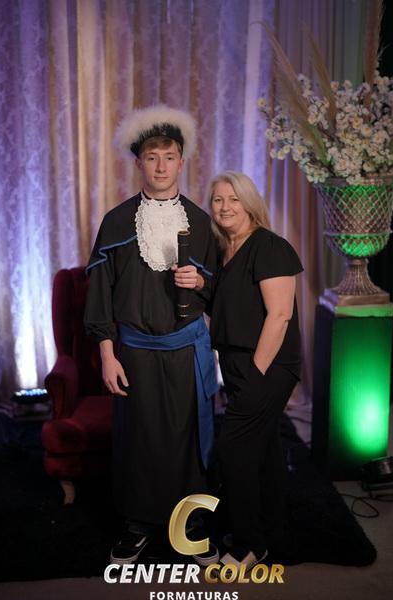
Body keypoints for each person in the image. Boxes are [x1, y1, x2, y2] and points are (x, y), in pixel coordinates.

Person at [84, 105, 218, 566]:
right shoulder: (116, 222)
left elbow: (219, 290)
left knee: (187, 439)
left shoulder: (201, 222)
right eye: (152, 157)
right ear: (139, 162)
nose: (161, 166)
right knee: (138, 440)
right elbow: (100, 294)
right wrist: (107, 354)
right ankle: (137, 526)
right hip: (135, 353)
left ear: (182, 161)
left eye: (170, 156)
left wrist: (200, 282)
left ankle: (191, 524)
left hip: (186, 351)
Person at [208, 171, 303, 571]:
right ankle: (274, 531)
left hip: (268, 365)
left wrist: (255, 374)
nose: (225, 207)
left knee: (234, 451)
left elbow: (279, 316)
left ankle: (252, 544)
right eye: (218, 200)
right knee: (262, 450)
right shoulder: (224, 250)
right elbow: (227, 309)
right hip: (236, 365)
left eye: (234, 199)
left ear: (249, 203)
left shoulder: (269, 246)